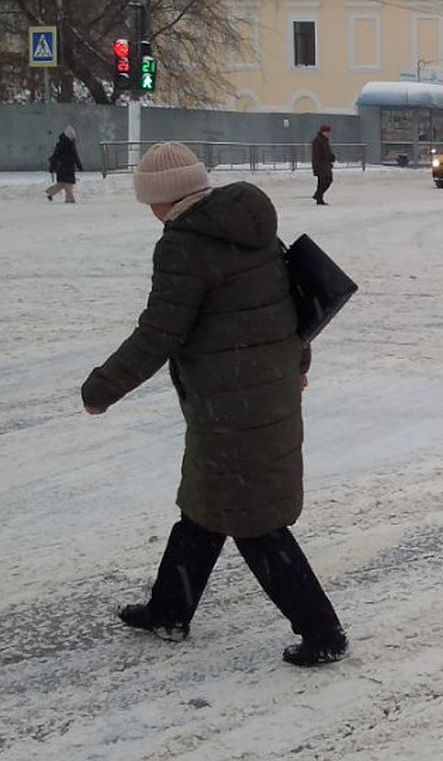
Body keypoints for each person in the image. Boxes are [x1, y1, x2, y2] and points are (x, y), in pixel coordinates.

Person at [81, 142, 347, 667]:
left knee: (254, 522)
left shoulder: (185, 245)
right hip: (259, 390)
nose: (149, 212)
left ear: (167, 198)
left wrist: (101, 390)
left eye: (149, 201)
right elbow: (286, 308)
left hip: (231, 405)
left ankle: (323, 632)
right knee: (205, 506)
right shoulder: (249, 226)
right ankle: (169, 609)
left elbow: (158, 332)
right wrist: (298, 366)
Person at [45, 126, 83, 203]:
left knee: (63, 183)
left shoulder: (60, 143)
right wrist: (79, 165)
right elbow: (75, 156)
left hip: (61, 167)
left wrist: (52, 167)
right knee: (68, 182)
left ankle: (50, 192)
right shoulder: (69, 144)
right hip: (66, 166)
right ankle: (70, 198)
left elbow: (55, 155)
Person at [311, 124, 335, 205]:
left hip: (325, 164)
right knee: (324, 180)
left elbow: (327, 151)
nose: (328, 133)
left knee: (326, 180)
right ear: (322, 132)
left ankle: (319, 196)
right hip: (320, 164)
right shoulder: (318, 140)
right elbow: (318, 153)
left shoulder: (325, 140)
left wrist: (331, 156)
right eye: (326, 132)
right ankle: (318, 196)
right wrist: (325, 158)